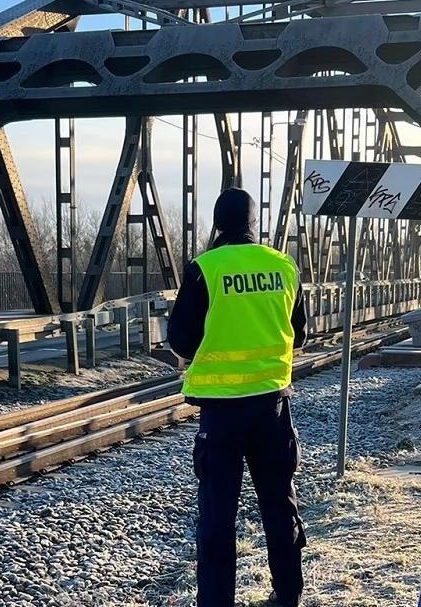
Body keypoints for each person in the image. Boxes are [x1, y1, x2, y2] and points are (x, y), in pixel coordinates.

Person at [167, 187, 309, 607]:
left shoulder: (203, 270)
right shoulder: (282, 266)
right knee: (279, 507)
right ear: (252, 223)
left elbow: (181, 341)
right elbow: (299, 333)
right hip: (273, 408)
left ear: (217, 224)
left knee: (217, 518)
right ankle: (288, 596)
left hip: (222, 414)